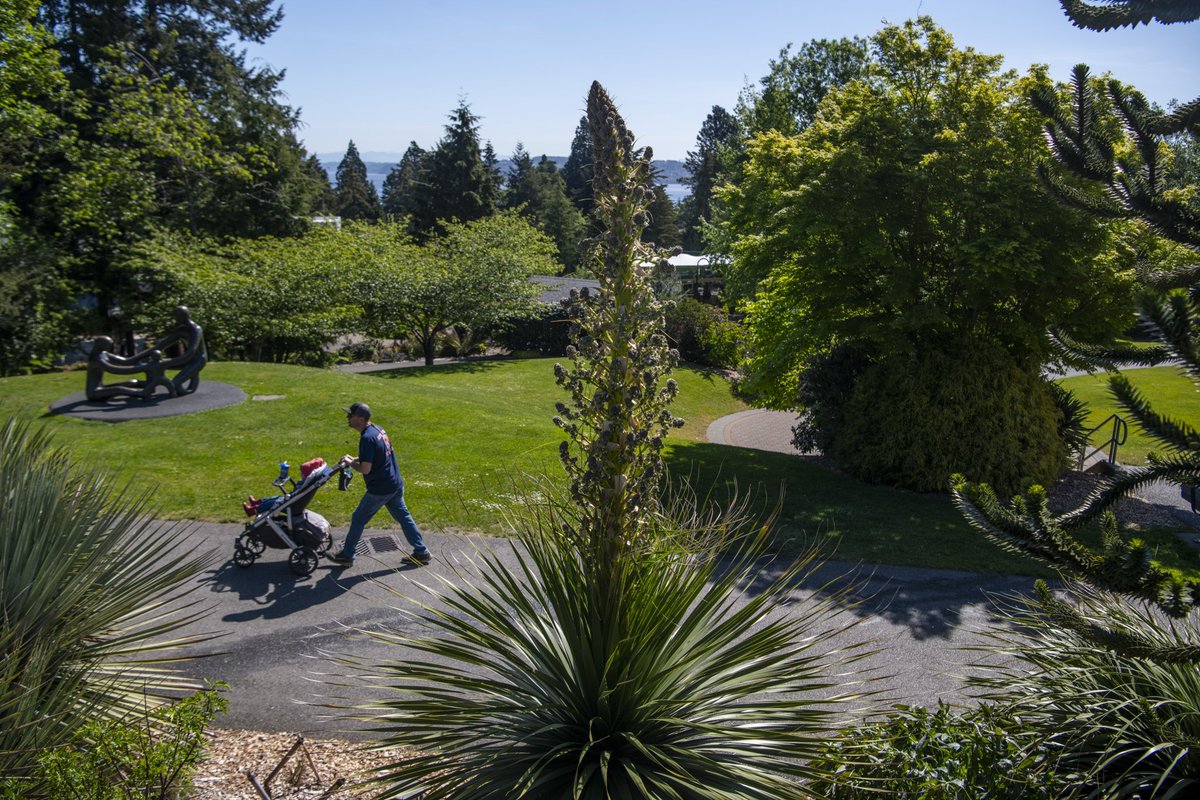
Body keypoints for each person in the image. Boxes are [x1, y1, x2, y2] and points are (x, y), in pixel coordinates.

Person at [328, 402, 432, 567]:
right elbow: (376, 455)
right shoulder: (377, 430)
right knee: (404, 517)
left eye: (350, 415)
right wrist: (353, 458)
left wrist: (350, 463)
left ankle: (347, 555)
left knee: (358, 519)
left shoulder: (367, 438)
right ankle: (421, 552)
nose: (347, 417)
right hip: (395, 484)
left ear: (360, 419)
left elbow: (365, 469)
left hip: (380, 489)